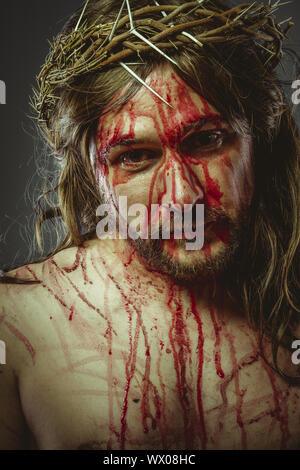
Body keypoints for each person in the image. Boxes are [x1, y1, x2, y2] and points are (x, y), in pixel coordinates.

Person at [0, 0, 299, 450]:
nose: (183, 198)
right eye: (135, 156)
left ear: (259, 138)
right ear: (89, 171)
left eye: (207, 140)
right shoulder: (16, 326)